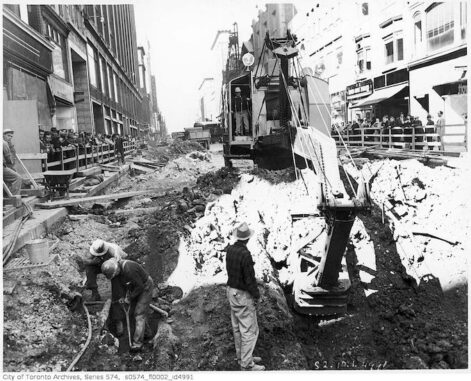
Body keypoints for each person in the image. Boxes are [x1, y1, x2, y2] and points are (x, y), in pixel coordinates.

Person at [225, 222, 264, 371]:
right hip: (242, 294)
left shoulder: (230, 249)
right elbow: (249, 279)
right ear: (247, 239)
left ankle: (242, 357)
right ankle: (247, 365)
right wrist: (256, 295)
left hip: (231, 291)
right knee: (249, 330)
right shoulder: (245, 254)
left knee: (237, 327)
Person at [101, 258, 154, 351]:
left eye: (114, 275)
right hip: (136, 286)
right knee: (137, 311)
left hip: (145, 287)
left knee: (139, 314)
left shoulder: (129, 269)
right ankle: (147, 333)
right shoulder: (119, 269)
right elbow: (128, 285)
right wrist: (124, 297)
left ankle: (137, 344)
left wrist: (129, 298)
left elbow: (140, 287)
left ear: (116, 269)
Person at [3, 129, 22, 195]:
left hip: (5, 166)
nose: (10, 138)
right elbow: (9, 160)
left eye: (11, 136)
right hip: (3, 166)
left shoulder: (8, 143)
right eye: (8, 136)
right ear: (3, 135)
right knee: (18, 177)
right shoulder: (4, 143)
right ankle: (14, 197)